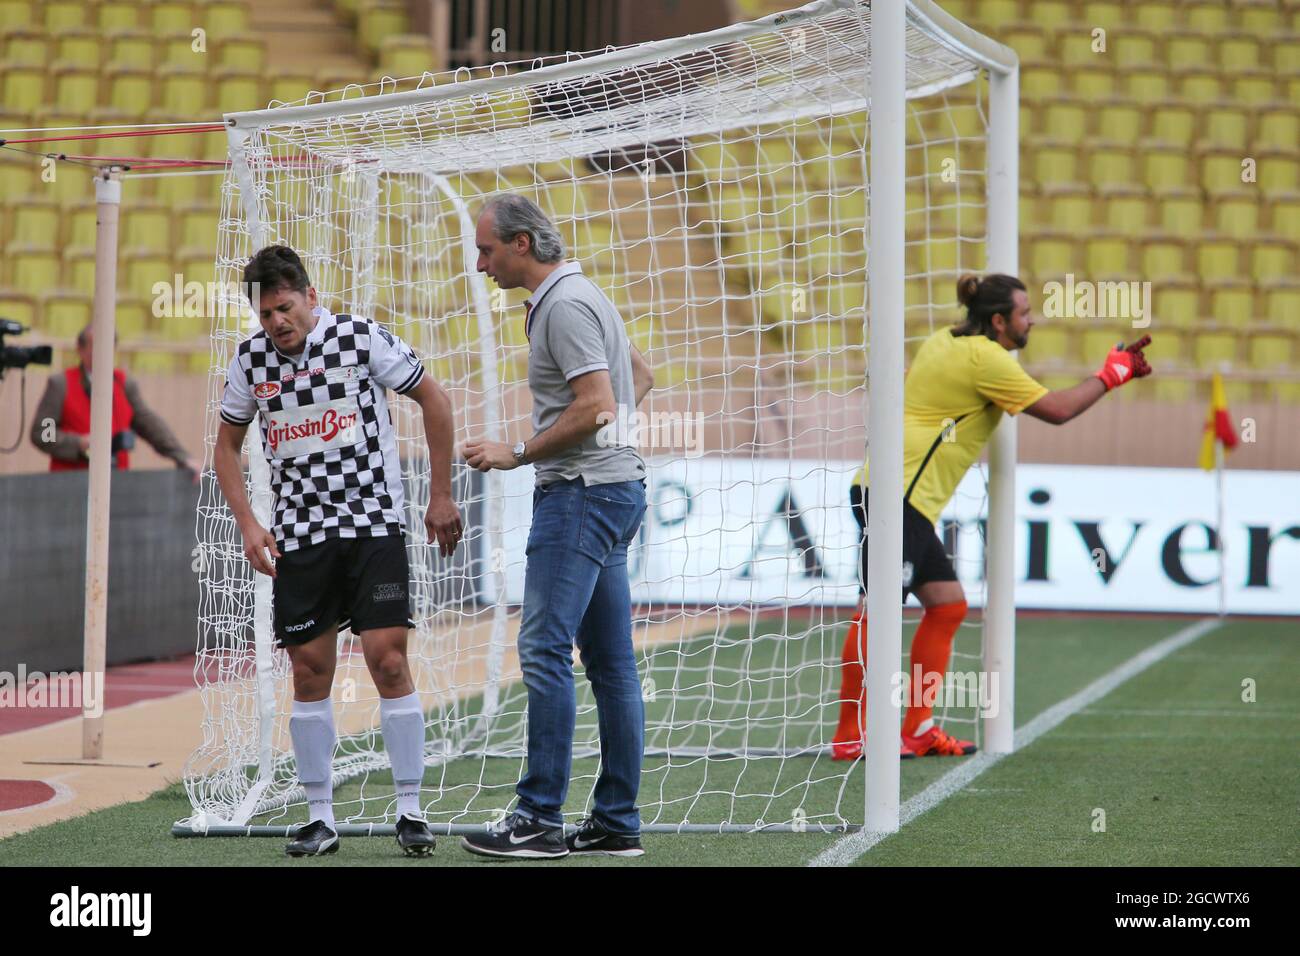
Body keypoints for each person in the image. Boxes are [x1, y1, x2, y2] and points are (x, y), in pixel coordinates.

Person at [833, 273, 1152, 760]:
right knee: (877, 612)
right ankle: (849, 735)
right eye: (1025, 312)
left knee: (947, 605)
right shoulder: (988, 360)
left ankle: (916, 728)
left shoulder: (946, 339)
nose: (1032, 320)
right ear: (999, 320)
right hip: (898, 498)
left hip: (894, 492)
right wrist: (1112, 374)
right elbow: (1058, 411)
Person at [213, 245, 463, 857]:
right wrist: (249, 523)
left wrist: (440, 493)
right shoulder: (250, 362)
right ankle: (320, 817)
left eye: (284, 307)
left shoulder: (358, 338)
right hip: (301, 536)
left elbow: (434, 398)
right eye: (266, 312)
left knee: (388, 660)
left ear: (310, 296)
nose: (276, 322)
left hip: (374, 524)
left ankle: (410, 810)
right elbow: (225, 445)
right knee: (309, 671)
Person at [460, 194, 655, 859]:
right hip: (616, 487)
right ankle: (616, 821)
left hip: (580, 494)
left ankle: (539, 818)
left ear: (521, 245)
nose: (480, 263)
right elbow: (641, 377)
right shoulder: (583, 296)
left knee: (544, 649)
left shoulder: (564, 306)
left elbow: (599, 405)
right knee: (611, 664)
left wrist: (517, 452)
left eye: (486, 250)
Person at [30, 325, 199, 477]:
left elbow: (150, 425)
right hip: (70, 482)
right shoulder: (61, 384)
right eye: (97, 346)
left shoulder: (124, 384)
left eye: (109, 346)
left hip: (117, 482)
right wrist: (78, 443)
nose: (104, 352)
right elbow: (43, 433)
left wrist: (182, 456)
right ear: (80, 350)